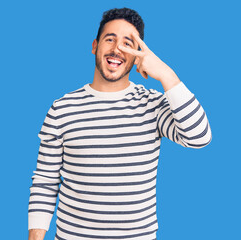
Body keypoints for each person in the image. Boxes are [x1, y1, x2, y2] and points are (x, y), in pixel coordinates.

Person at [28, 7, 212, 240]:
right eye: (110, 39)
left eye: (128, 43)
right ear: (95, 46)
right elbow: (45, 180)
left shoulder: (153, 105)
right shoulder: (62, 108)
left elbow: (199, 137)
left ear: (137, 55)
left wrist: (166, 74)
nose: (117, 49)